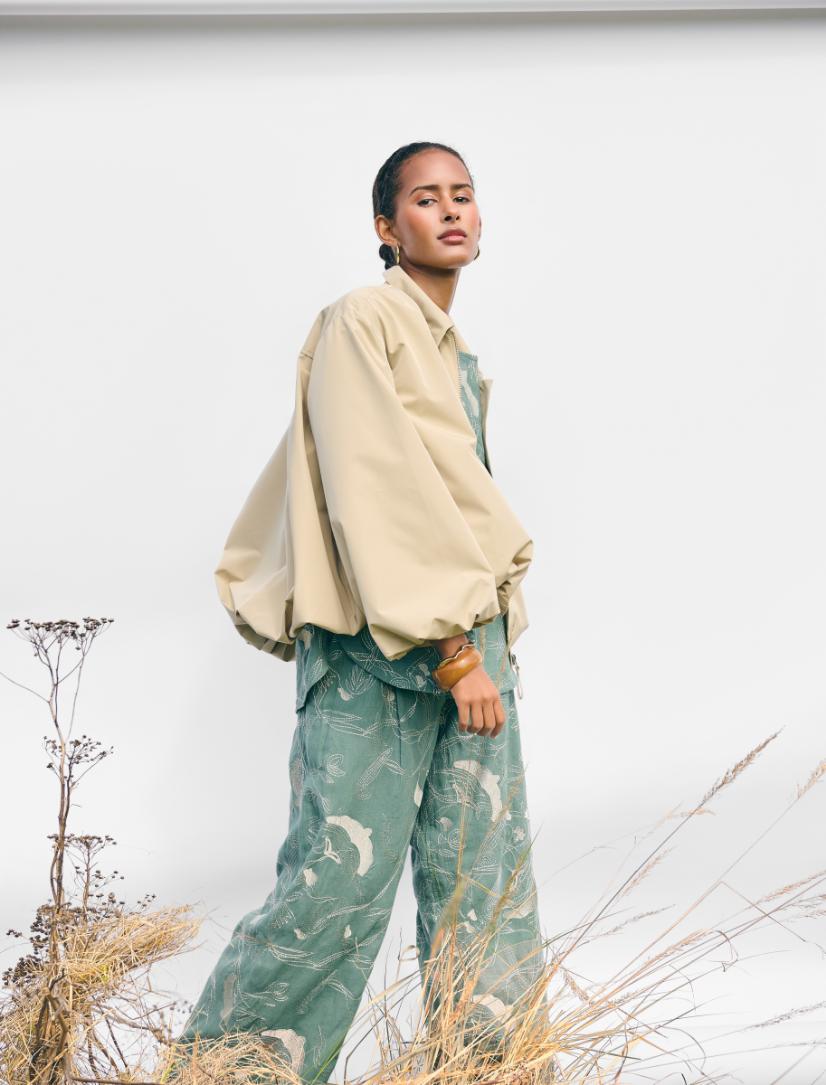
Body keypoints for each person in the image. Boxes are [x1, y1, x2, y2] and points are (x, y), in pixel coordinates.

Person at [173, 141, 549, 1084]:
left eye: (464, 195)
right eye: (426, 199)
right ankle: (227, 1073)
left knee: (486, 887)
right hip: (388, 646)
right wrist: (454, 647)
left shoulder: (450, 346)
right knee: (332, 887)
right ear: (387, 227)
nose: (451, 211)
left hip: (470, 640)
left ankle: (494, 1072)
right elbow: (374, 486)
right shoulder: (362, 319)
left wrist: (479, 642)